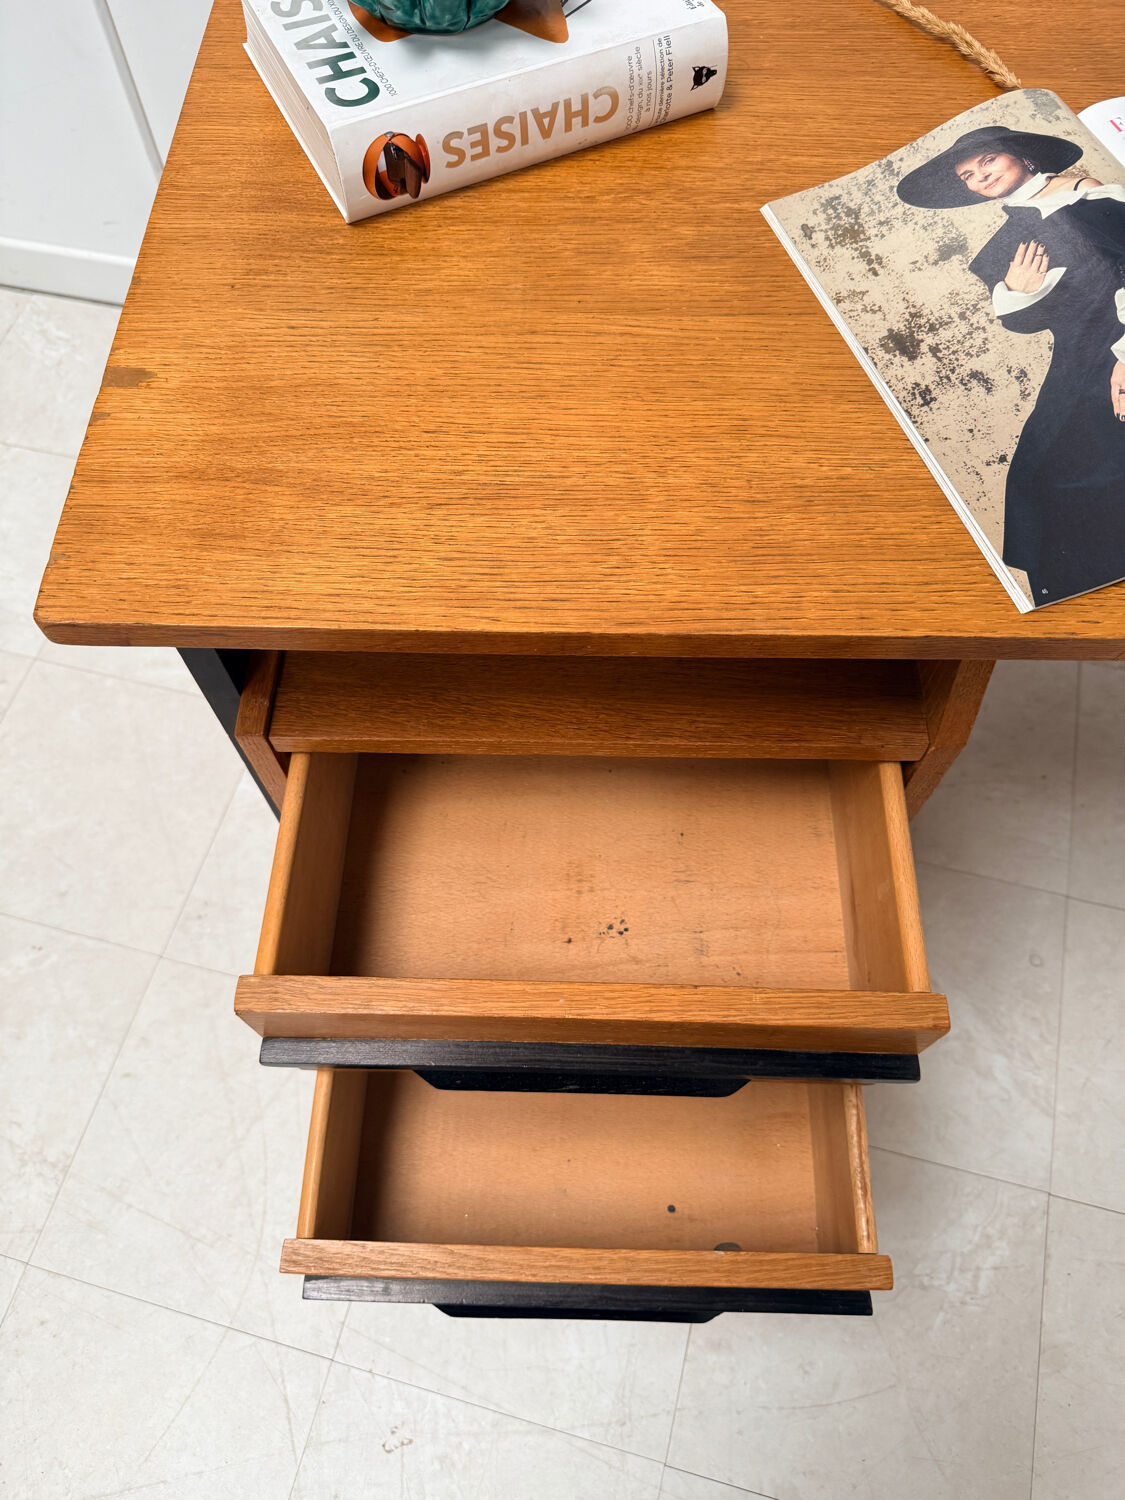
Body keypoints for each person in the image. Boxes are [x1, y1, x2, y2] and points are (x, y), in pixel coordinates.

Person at [897, 125, 1125, 604]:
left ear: (1020, 155)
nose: (979, 176)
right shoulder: (1008, 240)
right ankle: (1073, 589)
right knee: (1037, 473)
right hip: (1075, 361)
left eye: (987, 162)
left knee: (1095, 464)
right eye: (967, 175)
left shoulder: (1091, 195)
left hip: (1116, 352)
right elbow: (1027, 324)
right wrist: (1021, 293)